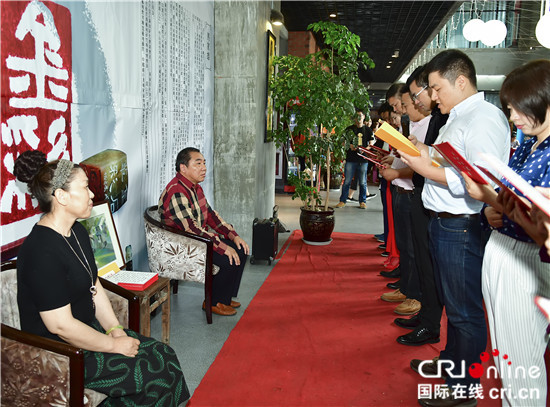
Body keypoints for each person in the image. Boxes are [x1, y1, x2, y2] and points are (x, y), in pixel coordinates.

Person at [13, 150, 189, 406]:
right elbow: (59, 326)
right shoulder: (41, 250)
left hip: (86, 333)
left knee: (164, 354)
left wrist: (115, 330)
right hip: (58, 350)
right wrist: (112, 345)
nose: (92, 194)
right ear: (61, 196)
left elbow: (94, 287)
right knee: (152, 376)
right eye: (85, 187)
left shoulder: (77, 233)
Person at [399, 49, 510, 407]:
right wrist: (419, 150)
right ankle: (451, 366)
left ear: (460, 82)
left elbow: (479, 180)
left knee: (466, 313)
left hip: (462, 226)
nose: (432, 96)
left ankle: (463, 389)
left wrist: (424, 167)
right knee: (454, 306)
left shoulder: (484, 118)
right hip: (444, 223)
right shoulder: (457, 116)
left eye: (435, 88)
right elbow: (447, 159)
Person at [462, 59, 550, 406]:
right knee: (507, 357)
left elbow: (536, 218)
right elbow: (509, 197)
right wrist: (492, 206)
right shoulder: (531, 143)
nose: (513, 118)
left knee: (520, 362)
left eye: (516, 109)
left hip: (527, 258)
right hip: (505, 249)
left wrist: (487, 197)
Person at [159, 147, 249, 316]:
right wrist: (222, 245)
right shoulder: (177, 191)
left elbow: (211, 217)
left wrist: (232, 235)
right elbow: (191, 229)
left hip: (196, 239)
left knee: (240, 250)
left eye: (204, 163)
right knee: (227, 257)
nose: (204, 168)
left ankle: (224, 297)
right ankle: (213, 302)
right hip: (183, 245)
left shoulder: (195, 187)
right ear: (183, 168)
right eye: (198, 163)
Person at [394, 65, 448, 347]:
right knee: (424, 264)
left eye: (421, 93)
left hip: (444, 208)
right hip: (427, 197)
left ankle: (430, 323)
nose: (416, 102)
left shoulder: (448, 117)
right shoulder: (441, 117)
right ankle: (427, 318)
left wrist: (423, 158)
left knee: (430, 267)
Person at [380, 86, 430, 318]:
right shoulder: (412, 125)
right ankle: (407, 288)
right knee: (405, 246)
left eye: (403, 106)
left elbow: (425, 167)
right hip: (403, 192)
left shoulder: (429, 125)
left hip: (412, 193)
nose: (401, 111)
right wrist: (395, 160)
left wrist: (398, 173)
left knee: (413, 249)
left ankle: (414, 294)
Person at [335, 110, 376, 209]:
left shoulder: (368, 130)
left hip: (363, 160)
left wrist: (365, 149)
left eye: (360, 116)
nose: (359, 118)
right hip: (351, 159)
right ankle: (342, 200)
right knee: (347, 181)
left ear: (364, 117)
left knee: (362, 182)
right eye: (356, 116)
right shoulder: (349, 129)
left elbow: (372, 142)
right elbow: (342, 141)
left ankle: (362, 201)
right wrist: (350, 146)